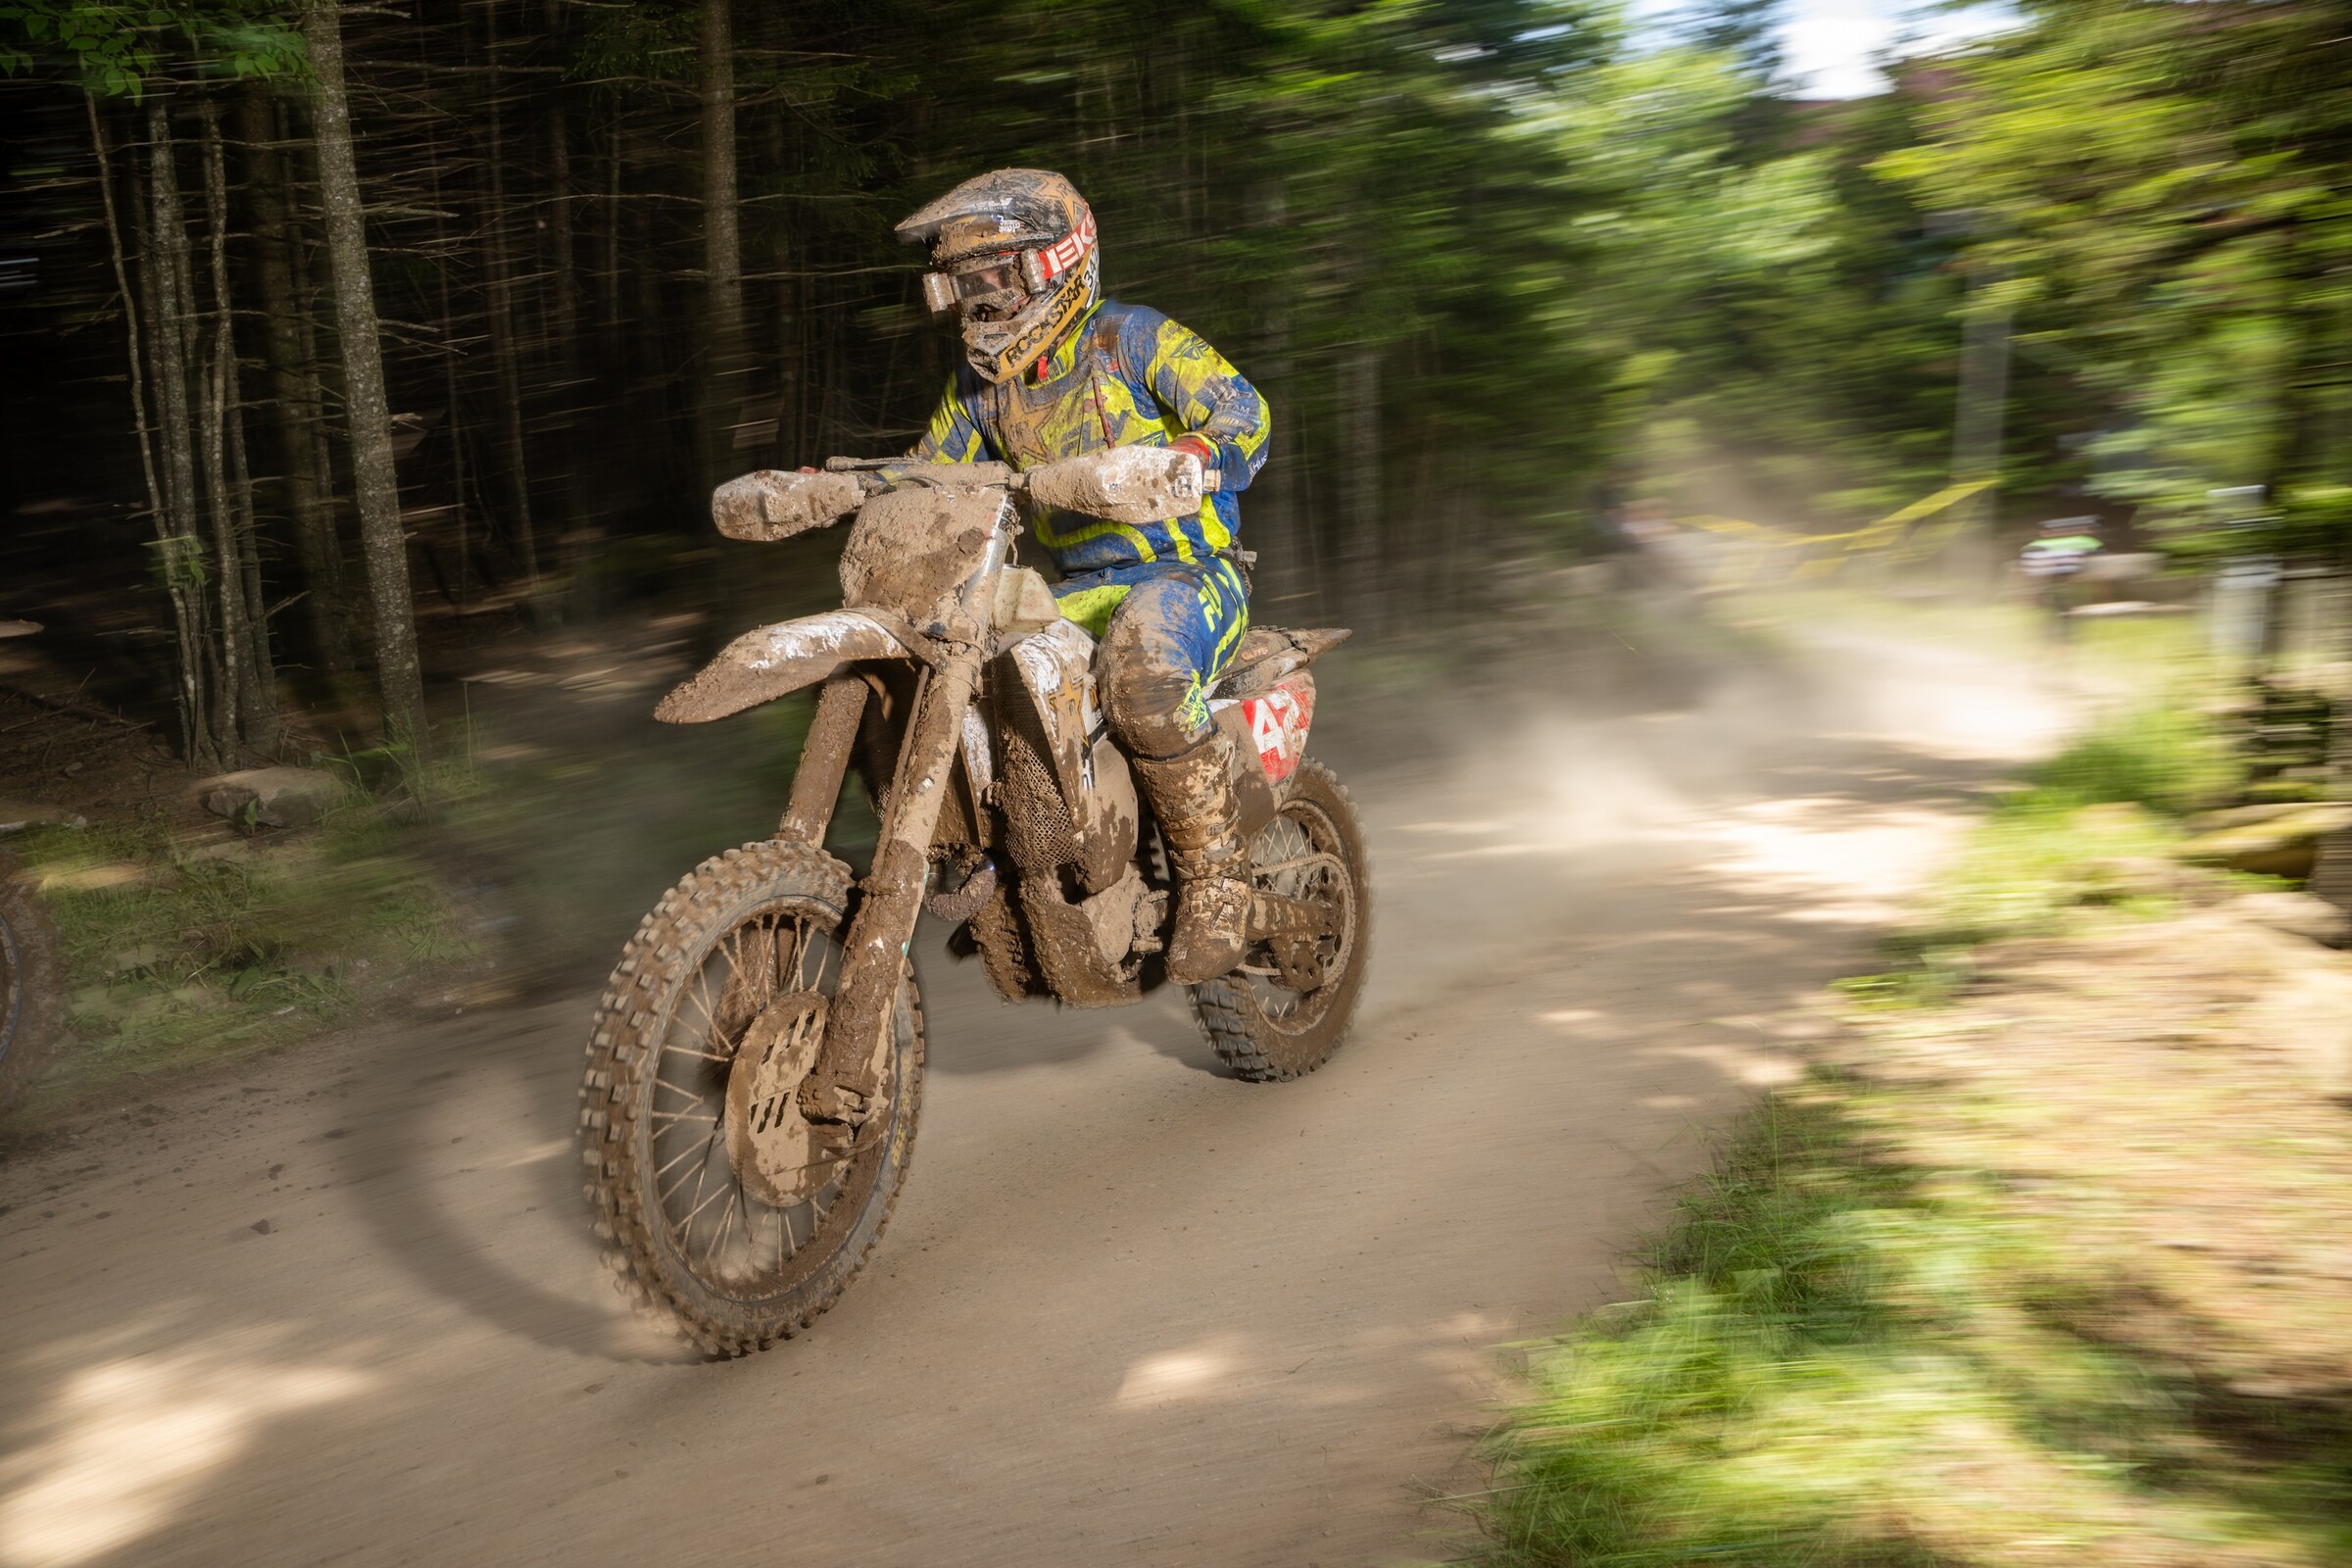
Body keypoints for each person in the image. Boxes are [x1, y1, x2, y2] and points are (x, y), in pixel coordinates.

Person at [895, 169, 1272, 984]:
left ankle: (1215, 879)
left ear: (1060, 264)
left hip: (1190, 571)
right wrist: (850, 488)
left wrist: (1195, 456)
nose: (984, 304)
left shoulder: (1132, 338)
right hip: (1079, 591)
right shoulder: (978, 390)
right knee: (971, 667)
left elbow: (1246, 412)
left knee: (1140, 677)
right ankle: (1021, 853)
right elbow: (929, 476)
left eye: (999, 279)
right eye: (967, 286)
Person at [2018, 517, 2104, 639]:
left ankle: (2053, 635)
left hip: (2054, 591)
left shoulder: (2048, 569)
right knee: (2062, 614)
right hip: (2060, 591)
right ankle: (2061, 636)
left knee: (2057, 614)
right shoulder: (2082, 545)